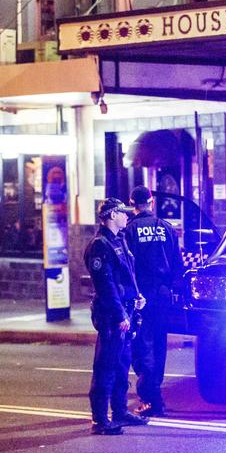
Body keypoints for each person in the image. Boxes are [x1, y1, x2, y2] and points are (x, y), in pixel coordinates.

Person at [84, 198, 149, 435]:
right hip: (113, 315)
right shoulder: (100, 245)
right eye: (123, 213)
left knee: (121, 365)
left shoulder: (119, 240)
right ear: (112, 215)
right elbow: (106, 284)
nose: (127, 216)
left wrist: (137, 295)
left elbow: (127, 275)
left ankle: (119, 412)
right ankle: (100, 420)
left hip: (126, 310)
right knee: (106, 366)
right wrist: (120, 314)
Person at [125, 186, 183, 417]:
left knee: (142, 346)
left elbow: (127, 266)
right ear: (151, 202)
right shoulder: (166, 228)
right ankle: (154, 391)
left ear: (132, 203)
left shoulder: (129, 231)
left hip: (140, 295)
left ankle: (151, 399)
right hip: (162, 295)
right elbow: (178, 265)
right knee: (159, 344)